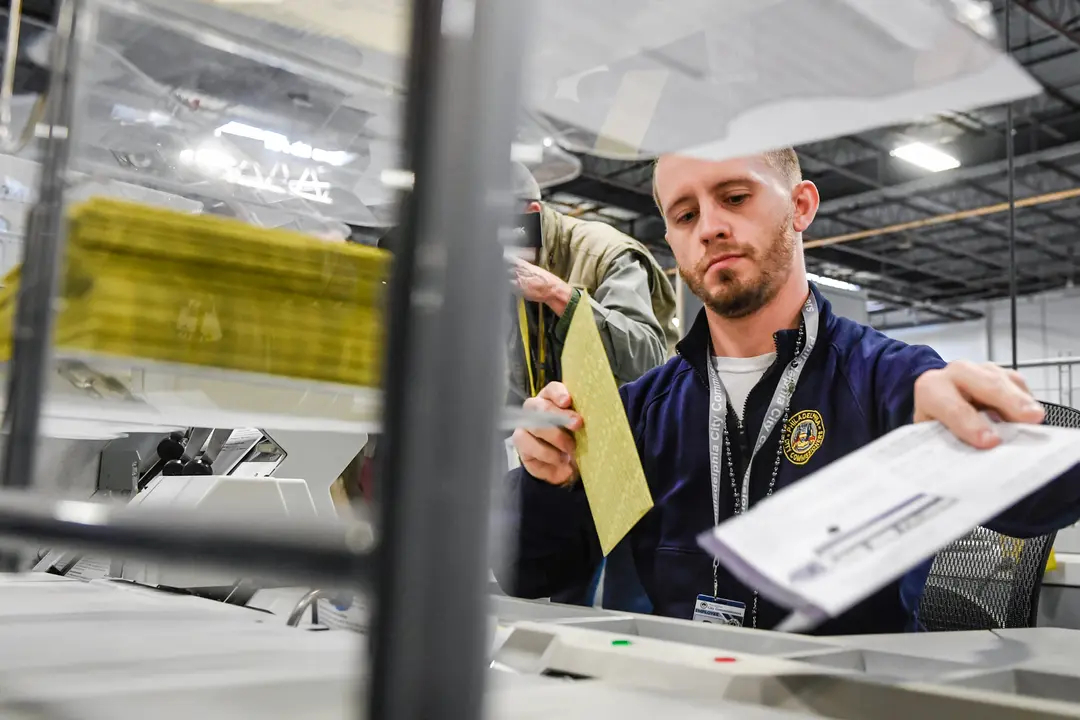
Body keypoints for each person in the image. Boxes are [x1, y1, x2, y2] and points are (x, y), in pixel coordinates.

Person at [502, 148, 1080, 635]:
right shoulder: (641, 410)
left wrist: (982, 439)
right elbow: (531, 573)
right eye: (684, 214)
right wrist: (545, 478)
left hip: (847, 697)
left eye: (735, 197)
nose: (709, 227)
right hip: (691, 694)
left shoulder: (891, 380)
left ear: (801, 206)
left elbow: (1046, 505)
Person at [504, 162, 676, 610]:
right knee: (555, 595)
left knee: (628, 601)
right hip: (558, 461)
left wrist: (559, 295)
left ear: (529, 213)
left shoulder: (607, 253)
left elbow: (647, 355)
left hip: (631, 462)